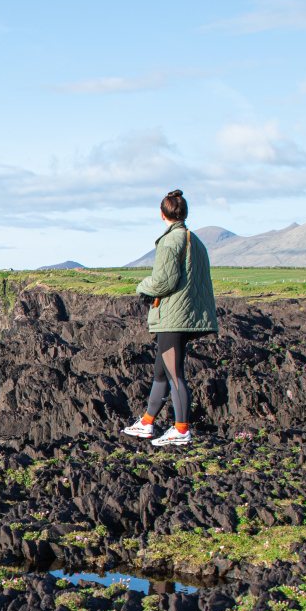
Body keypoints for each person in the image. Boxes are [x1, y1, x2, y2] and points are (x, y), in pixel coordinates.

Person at [121, 189, 217, 446]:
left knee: (174, 374)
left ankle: (181, 429)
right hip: (186, 314)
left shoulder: (170, 241)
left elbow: (165, 280)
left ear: (161, 214)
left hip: (173, 316)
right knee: (161, 372)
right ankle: (147, 422)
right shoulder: (195, 240)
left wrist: (143, 287)